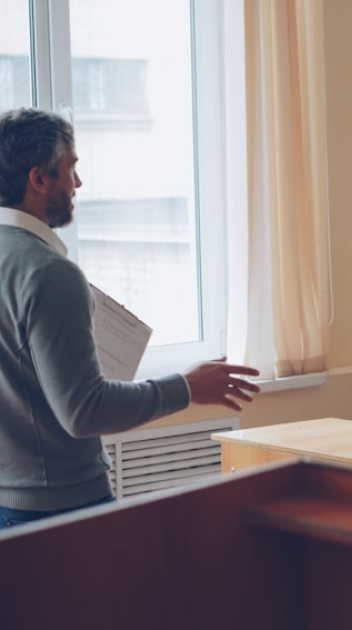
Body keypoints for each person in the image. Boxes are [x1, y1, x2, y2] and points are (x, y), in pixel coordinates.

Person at [0, 108, 261, 527]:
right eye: (72, 168)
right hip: (61, 511)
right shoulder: (49, 273)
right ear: (39, 178)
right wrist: (187, 388)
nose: (79, 184)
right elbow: (85, 411)